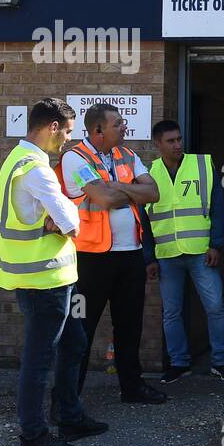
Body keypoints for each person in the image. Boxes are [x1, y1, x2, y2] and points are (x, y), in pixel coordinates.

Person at [0, 97, 107, 446]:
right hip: (44, 282)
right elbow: (70, 221)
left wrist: (58, 216)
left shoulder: (16, 160)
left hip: (46, 278)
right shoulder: (36, 169)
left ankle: (69, 416)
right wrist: (64, 216)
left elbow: (56, 216)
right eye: (67, 132)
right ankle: (33, 437)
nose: (68, 140)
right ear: (53, 127)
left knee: (74, 345)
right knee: (39, 360)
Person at [60, 103, 165, 404]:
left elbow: (154, 193)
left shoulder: (127, 155)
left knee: (130, 325)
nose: (124, 128)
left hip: (130, 252)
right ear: (97, 130)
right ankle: (67, 400)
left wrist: (118, 186)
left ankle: (131, 387)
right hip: (92, 257)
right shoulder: (75, 157)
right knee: (82, 328)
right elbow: (104, 199)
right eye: (117, 124)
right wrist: (130, 190)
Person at [142, 119, 224, 385]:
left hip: (200, 252)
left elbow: (218, 208)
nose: (177, 145)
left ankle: (221, 361)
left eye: (179, 139)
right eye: (171, 141)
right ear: (157, 144)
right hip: (167, 254)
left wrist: (216, 244)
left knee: (215, 307)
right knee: (171, 312)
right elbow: (144, 222)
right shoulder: (149, 174)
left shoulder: (203, 165)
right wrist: (148, 257)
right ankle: (178, 363)